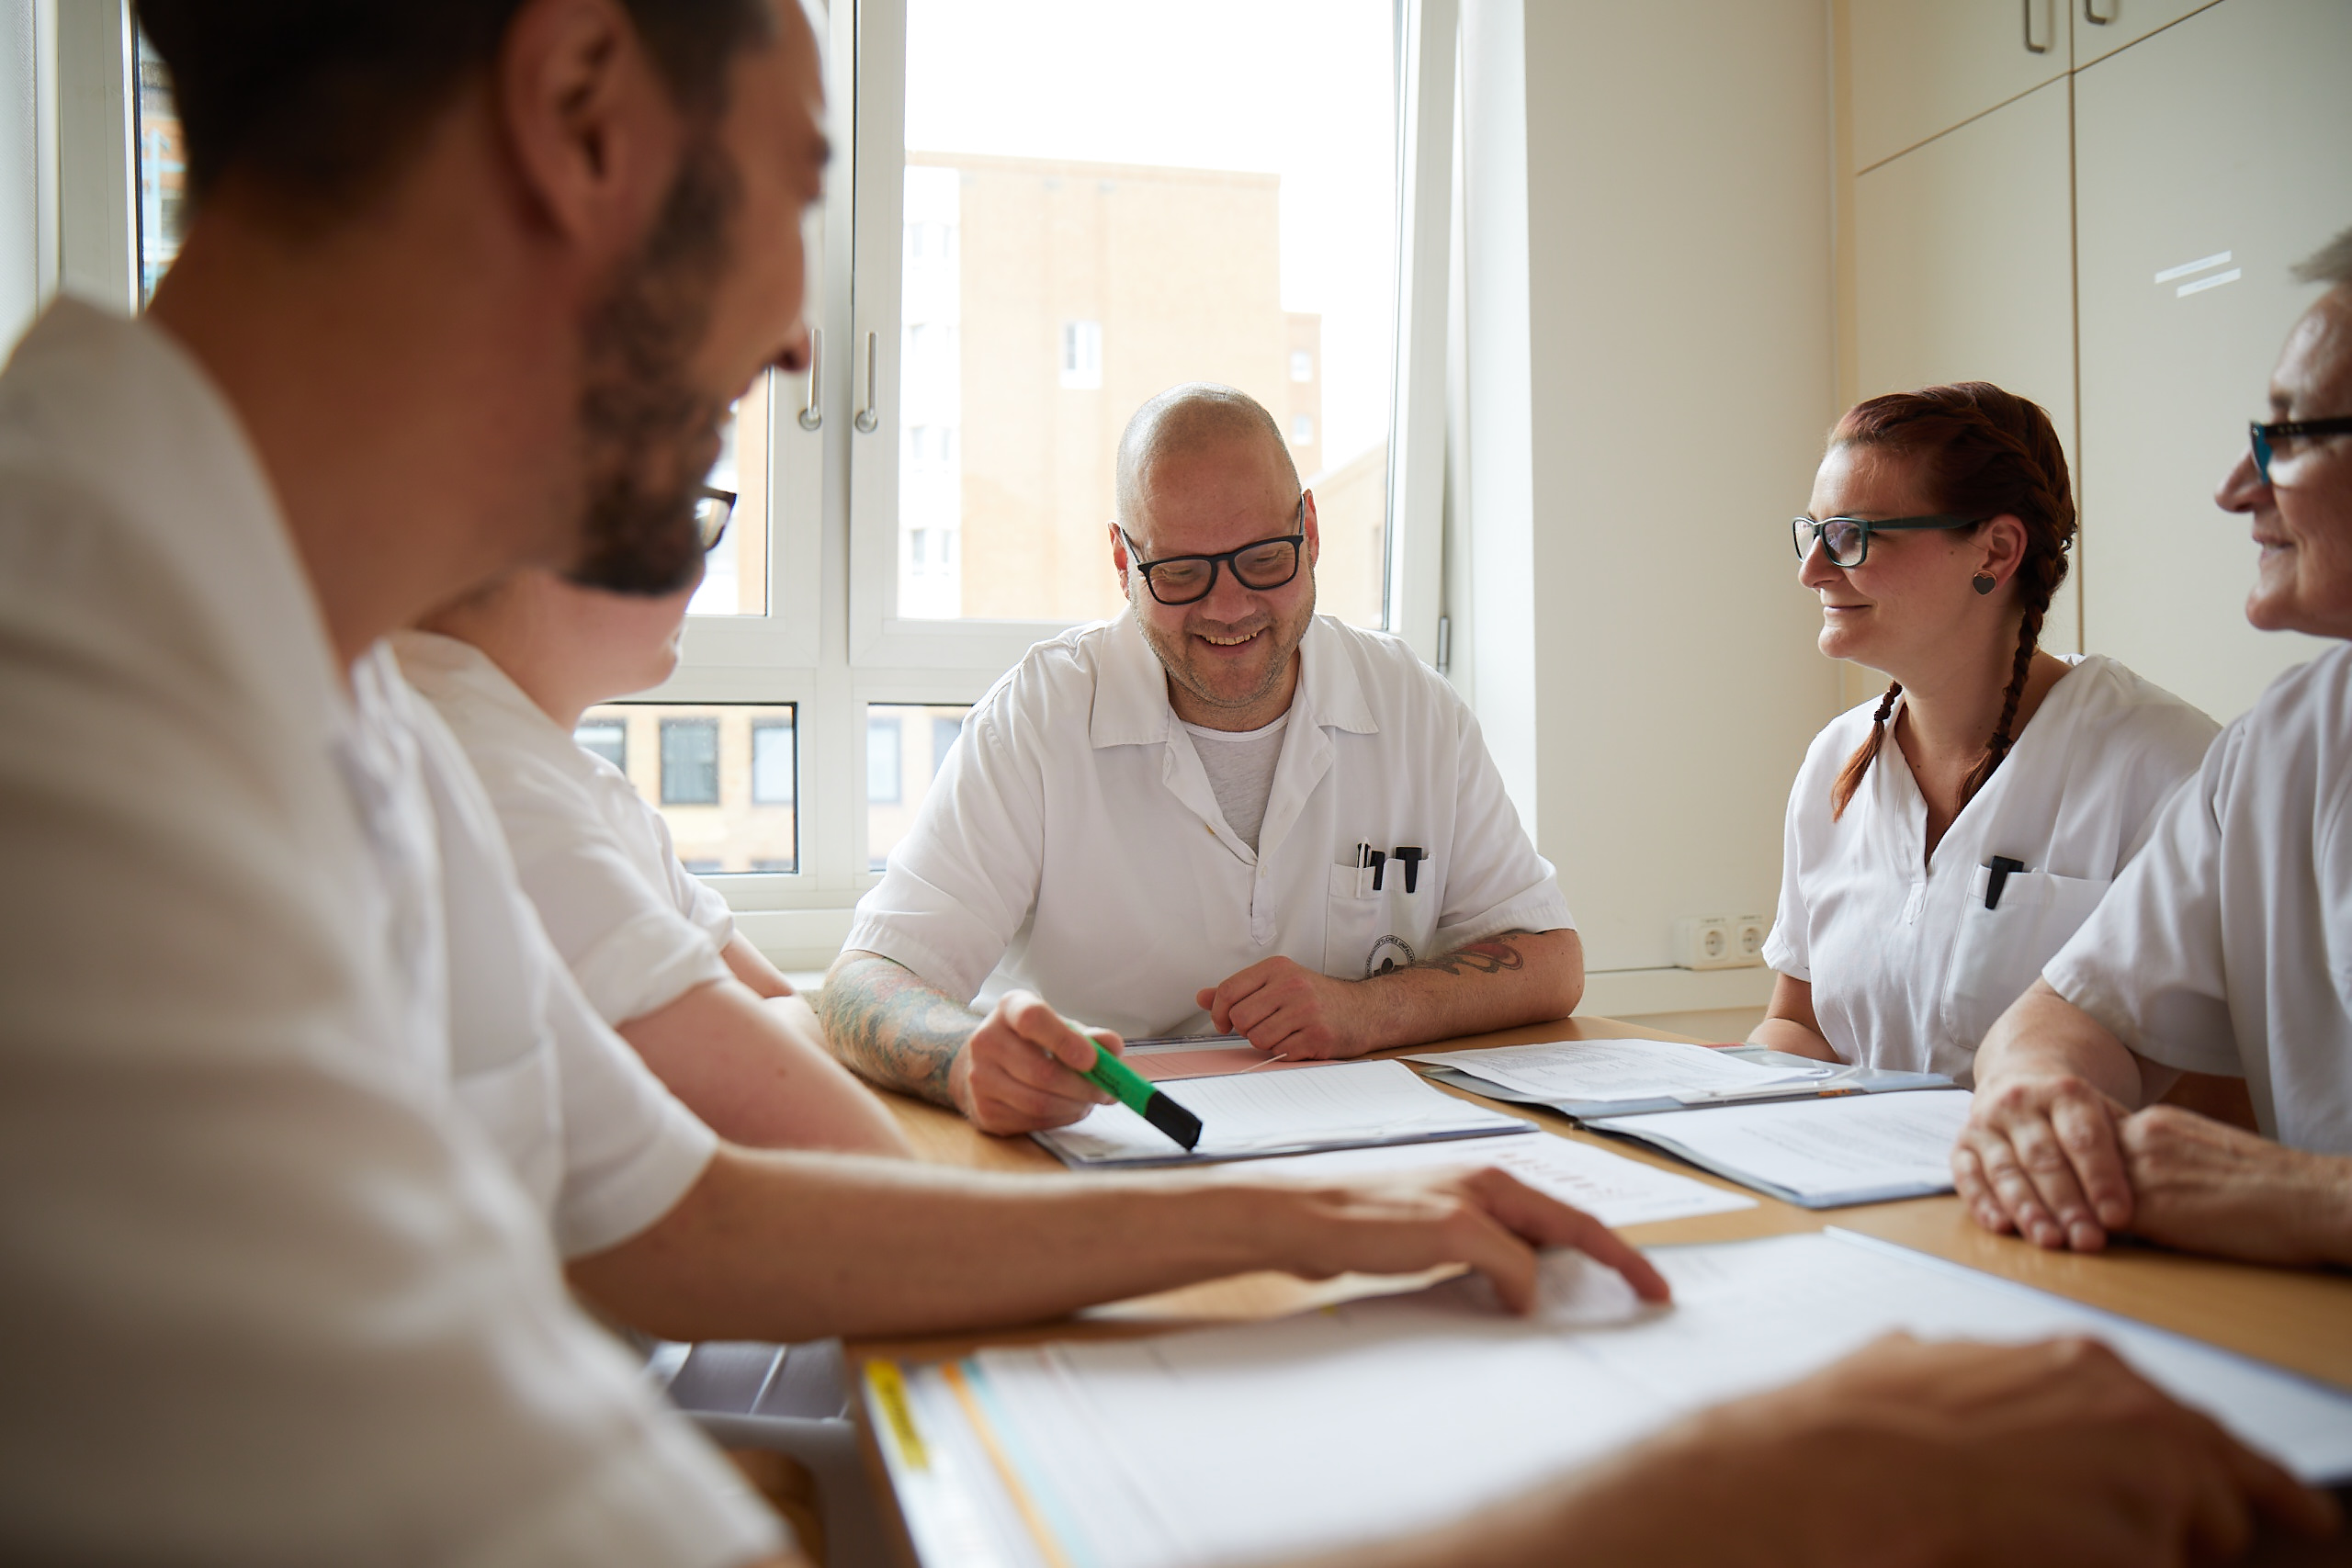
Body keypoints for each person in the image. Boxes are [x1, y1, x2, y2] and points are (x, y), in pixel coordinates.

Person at [0, 3, 2327, 1563]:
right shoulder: (81, 743)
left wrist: (1307, 1216)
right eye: (808, 173)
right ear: (583, 111)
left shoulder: (339, 701)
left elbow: (660, 1210)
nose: (808, 332)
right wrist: (1734, 1489)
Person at [823, 385, 1580, 1134]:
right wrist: (961, 1057)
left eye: (1262, 559)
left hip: (1356, 1143)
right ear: (1123, 562)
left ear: (1311, 532)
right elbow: (865, 981)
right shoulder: (1039, 717)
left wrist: (1365, 1012)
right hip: (1103, 1145)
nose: (1228, 608)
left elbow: (1550, 958)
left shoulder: (1413, 707)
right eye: (1182, 571)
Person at [1955, 227, 2352, 1264]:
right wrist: (2036, 1102)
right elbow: (2060, 1021)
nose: (2237, 487)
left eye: (2293, 437)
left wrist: (2316, 1201)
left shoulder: (2162, 743)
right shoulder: (2286, 744)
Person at [1754, 384, 2217, 1085]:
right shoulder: (1835, 762)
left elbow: (2223, 1085)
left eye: (1850, 535)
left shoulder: (2168, 769)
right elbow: (1800, 1021)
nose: (1811, 570)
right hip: (1852, 1188)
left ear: (1995, 552)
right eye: (1812, 533)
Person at [401, 560, 914, 1156]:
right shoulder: (490, 781)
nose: (695, 569)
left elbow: (778, 1003)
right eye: (676, 514)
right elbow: (852, 1145)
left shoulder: (587, 785)